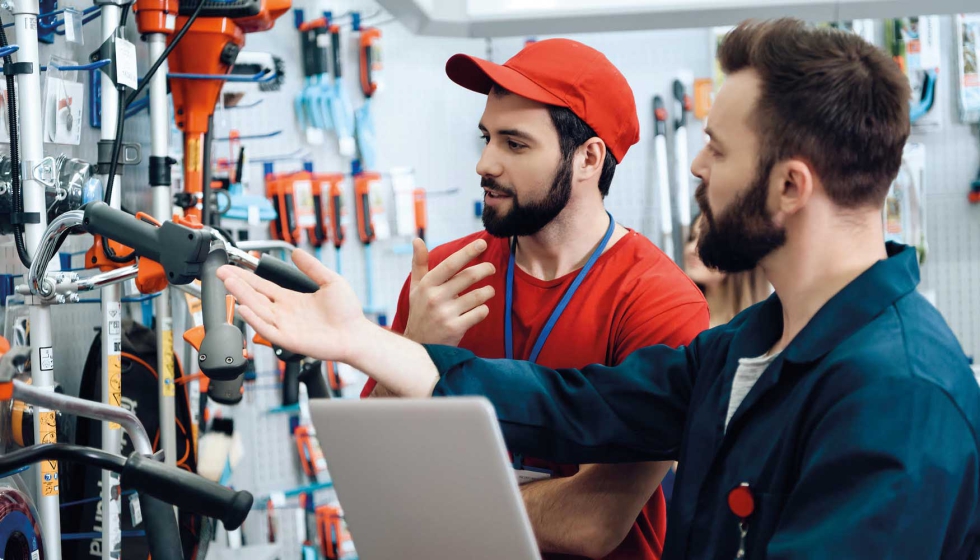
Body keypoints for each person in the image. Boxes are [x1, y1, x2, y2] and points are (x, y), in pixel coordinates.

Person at [220, 19, 980, 559]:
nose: (695, 167)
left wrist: (439, 519)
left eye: (716, 147)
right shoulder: (747, 348)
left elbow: (596, 517)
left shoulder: (897, 395)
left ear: (788, 185)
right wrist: (364, 340)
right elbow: (569, 407)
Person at [361, 38, 709, 560]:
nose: (484, 163)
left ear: (589, 158)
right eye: (486, 138)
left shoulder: (659, 303)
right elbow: (375, 467)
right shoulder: (445, 276)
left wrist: (438, 507)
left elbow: (591, 522)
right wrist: (417, 347)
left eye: (514, 144)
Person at [683, 214, 769, 328]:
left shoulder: (765, 330)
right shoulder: (681, 321)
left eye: (706, 241)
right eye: (691, 238)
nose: (691, 249)